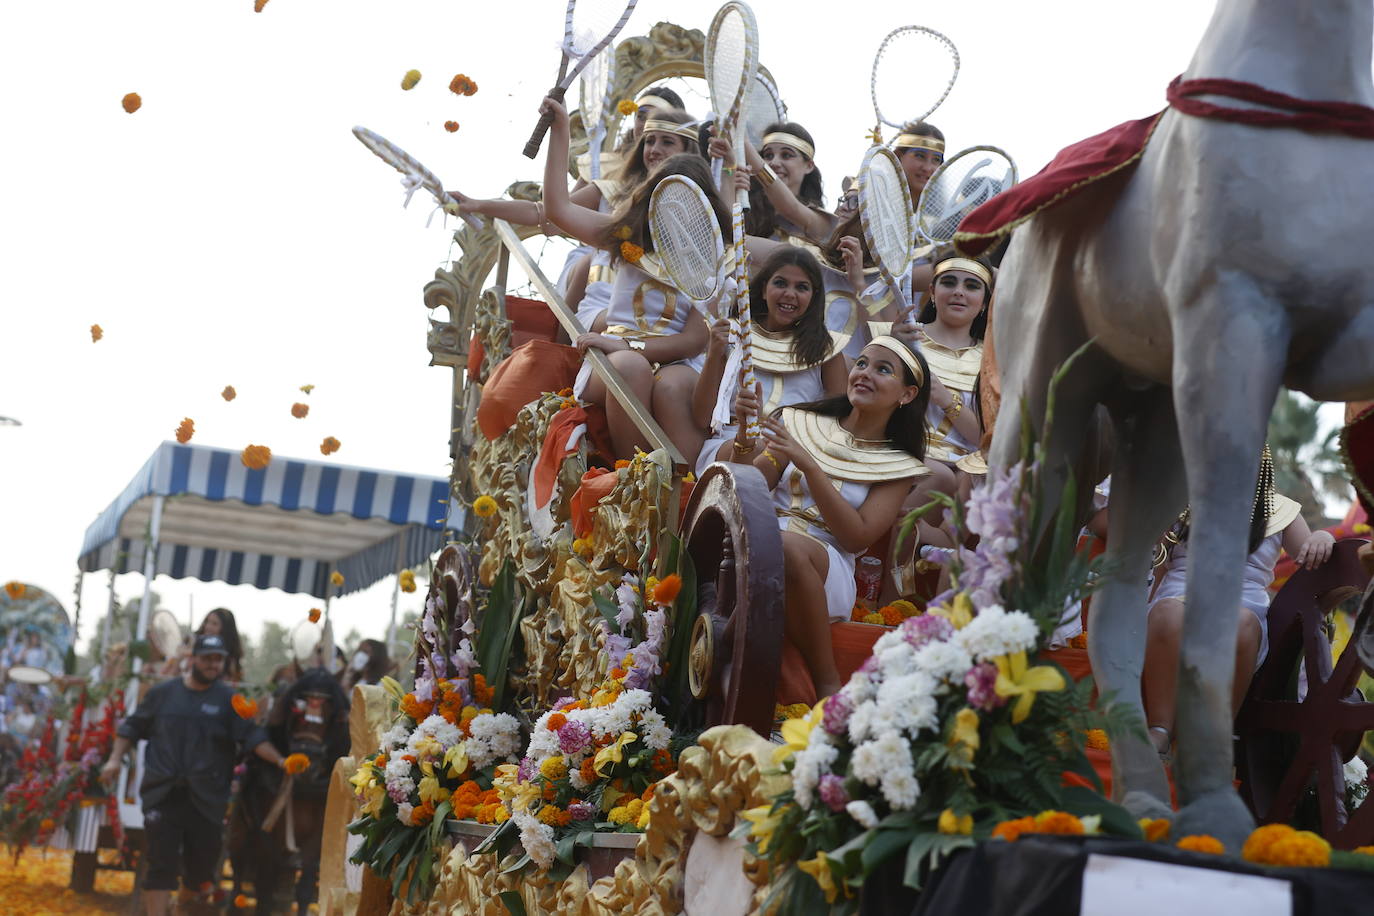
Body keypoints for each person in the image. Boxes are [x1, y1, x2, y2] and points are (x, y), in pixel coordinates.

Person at [731, 336, 931, 697]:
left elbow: (857, 537)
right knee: (761, 540)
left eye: (883, 370)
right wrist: (745, 439)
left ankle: (826, 681)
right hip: (762, 533)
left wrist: (810, 465)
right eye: (862, 363)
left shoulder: (900, 466)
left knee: (788, 548)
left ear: (907, 395)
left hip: (828, 562)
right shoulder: (800, 421)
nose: (865, 374)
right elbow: (751, 488)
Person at [539, 94, 731, 462]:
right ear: (650, 198)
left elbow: (693, 340)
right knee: (631, 368)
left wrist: (630, 348)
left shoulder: (716, 260)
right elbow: (556, 208)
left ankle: (684, 491)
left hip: (670, 361)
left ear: (704, 207)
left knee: (674, 385)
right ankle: (637, 483)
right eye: (667, 196)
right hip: (614, 361)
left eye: (687, 201)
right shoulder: (624, 234)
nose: (675, 210)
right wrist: (560, 129)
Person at [1142, 448, 1336, 761]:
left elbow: (1313, 559)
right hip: (1178, 596)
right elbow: (1158, 564)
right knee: (1166, 613)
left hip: (1242, 607)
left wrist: (1323, 538)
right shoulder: (1183, 504)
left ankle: (1216, 737)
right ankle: (1160, 728)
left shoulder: (1281, 509)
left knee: (1243, 624)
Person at [99, 634, 289, 916]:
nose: (214, 665)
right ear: (193, 659)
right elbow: (131, 728)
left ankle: (181, 908)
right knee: (160, 864)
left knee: (200, 873)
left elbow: (253, 737)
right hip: (162, 794)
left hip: (206, 799)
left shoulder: (231, 700)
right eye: (208, 658)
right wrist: (113, 760)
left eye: (219, 660)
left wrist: (282, 760)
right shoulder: (162, 694)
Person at [692, 245, 848, 476]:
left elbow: (839, 422)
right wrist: (715, 353)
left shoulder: (827, 350)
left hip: (797, 453)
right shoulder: (733, 335)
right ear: (764, 290)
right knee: (762, 451)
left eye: (802, 287)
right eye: (780, 283)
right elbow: (702, 417)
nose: (790, 293)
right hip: (731, 444)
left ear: (814, 297)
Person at [196, 608, 244, 682]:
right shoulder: (193, 647)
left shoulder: (231, 660)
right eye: (207, 622)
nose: (208, 627)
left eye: (214, 624)